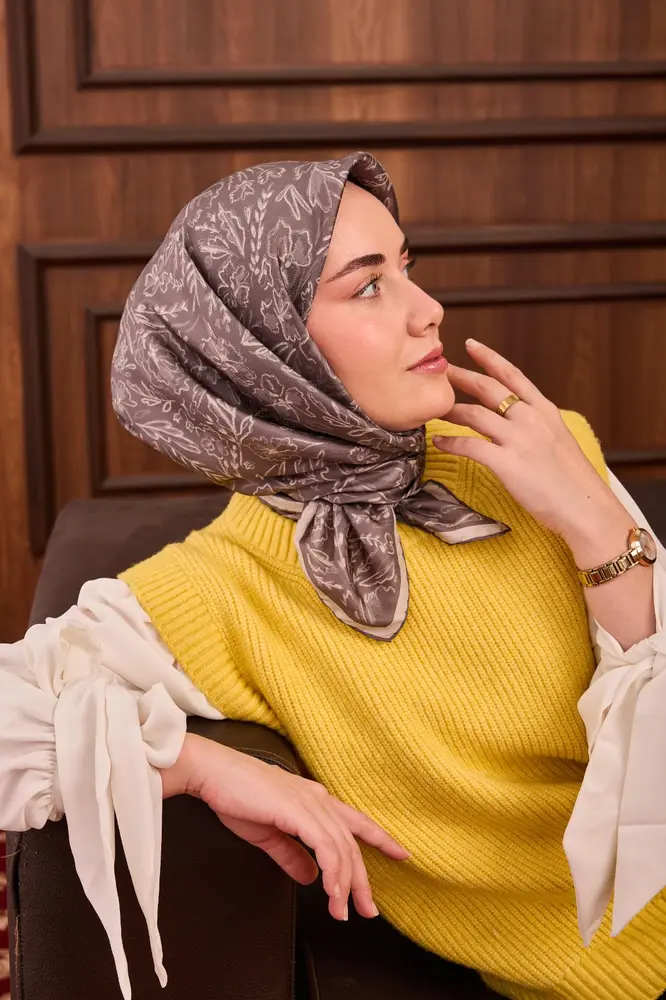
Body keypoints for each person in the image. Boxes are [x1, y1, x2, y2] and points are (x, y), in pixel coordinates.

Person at [1, 151, 666, 1000]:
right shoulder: (218, 591)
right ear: (262, 352)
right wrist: (194, 765)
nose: (427, 310)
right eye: (369, 286)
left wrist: (599, 528)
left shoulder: (536, 453)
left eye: (407, 268)